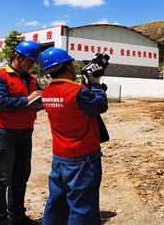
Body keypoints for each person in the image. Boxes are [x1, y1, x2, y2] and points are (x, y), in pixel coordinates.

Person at [40, 47, 108, 225]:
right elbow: (100, 105)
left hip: (60, 158)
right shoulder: (78, 93)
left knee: (57, 203)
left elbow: (74, 103)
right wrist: (95, 83)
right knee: (83, 207)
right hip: (83, 159)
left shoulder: (47, 93)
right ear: (68, 66)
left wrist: (87, 85)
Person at [0, 40, 43, 225]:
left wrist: (39, 104)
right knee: (1, 179)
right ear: (18, 57)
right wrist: (27, 99)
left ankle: (17, 217)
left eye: (34, 62)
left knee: (20, 177)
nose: (32, 65)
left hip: (25, 133)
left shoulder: (32, 79)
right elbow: (0, 102)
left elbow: (32, 103)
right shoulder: (0, 78)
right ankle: (0, 221)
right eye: (30, 61)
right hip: (4, 133)